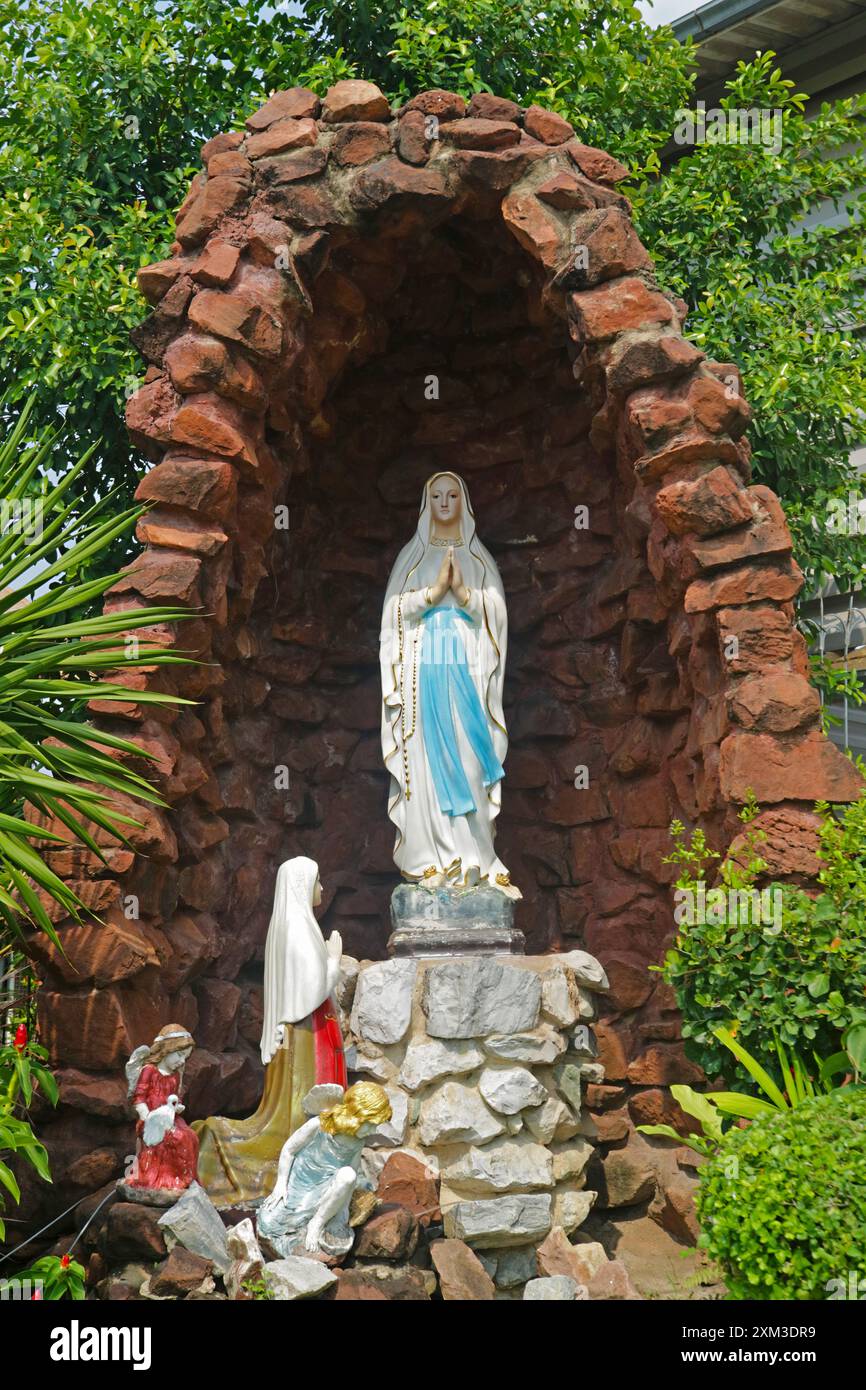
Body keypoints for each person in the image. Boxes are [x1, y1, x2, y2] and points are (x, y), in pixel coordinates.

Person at [380, 471, 520, 896]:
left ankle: (475, 854)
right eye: (436, 495)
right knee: (427, 761)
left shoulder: (476, 557)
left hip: (469, 676)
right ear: (427, 503)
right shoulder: (412, 555)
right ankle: (433, 859)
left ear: (464, 502)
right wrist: (431, 593)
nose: (444, 501)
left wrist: (462, 594)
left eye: (452, 494)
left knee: (471, 757)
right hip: (424, 675)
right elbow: (391, 617)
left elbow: (496, 613)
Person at [193, 856, 346, 1207]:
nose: (321, 889)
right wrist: (334, 962)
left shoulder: (292, 925)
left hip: (299, 1034)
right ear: (303, 885)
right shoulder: (298, 930)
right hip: (304, 1037)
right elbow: (309, 992)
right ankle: (229, 1147)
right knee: (299, 1112)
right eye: (317, 882)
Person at [257, 1082, 392, 1256]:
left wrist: (341, 1212)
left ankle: (317, 1223)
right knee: (269, 1223)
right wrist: (280, 1185)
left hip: (324, 1192)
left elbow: (350, 1182)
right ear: (357, 1114)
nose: (373, 1130)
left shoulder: (357, 1142)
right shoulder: (319, 1124)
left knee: (348, 1175)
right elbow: (289, 1150)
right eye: (371, 1124)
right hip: (299, 1184)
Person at [125, 1024, 198, 1193]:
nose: (182, 1061)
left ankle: (181, 1178)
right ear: (167, 1049)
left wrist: (177, 1107)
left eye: (185, 1058)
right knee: (178, 1138)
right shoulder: (149, 1070)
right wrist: (147, 1117)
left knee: (191, 1136)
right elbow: (139, 1097)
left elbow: (174, 1098)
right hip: (151, 1120)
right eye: (179, 1055)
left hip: (170, 1118)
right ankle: (163, 1179)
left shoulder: (175, 1076)